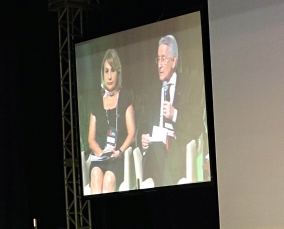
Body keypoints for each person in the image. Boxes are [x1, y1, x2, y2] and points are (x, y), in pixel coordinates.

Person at [139, 35, 204, 186]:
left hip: (177, 148)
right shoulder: (152, 91)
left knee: (170, 153)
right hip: (155, 149)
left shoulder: (190, 86)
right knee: (156, 149)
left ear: (174, 61)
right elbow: (143, 124)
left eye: (164, 59)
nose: (159, 65)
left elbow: (197, 124)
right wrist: (142, 139)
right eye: (158, 59)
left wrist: (175, 114)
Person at [87, 49, 135, 193]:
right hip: (101, 157)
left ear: (118, 73)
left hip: (117, 158)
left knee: (108, 178)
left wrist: (119, 151)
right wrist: (102, 154)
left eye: (112, 71)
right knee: (95, 175)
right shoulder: (96, 101)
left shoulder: (125, 98)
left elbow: (132, 134)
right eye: (106, 71)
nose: (109, 76)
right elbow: (91, 139)